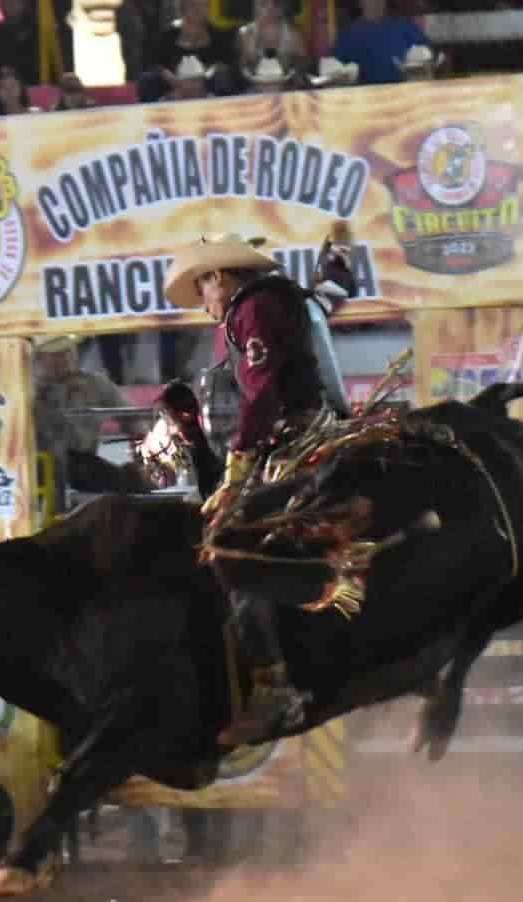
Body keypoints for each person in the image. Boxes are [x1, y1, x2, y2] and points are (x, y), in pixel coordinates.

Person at [163, 234, 336, 746]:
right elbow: (328, 302)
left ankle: (273, 682)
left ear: (220, 276)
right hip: (307, 433)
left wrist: (238, 466)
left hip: (294, 442)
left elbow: (262, 393)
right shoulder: (279, 301)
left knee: (232, 545)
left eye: (203, 288)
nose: (205, 303)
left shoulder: (254, 309)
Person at [32, 333, 148, 495]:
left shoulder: (94, 383)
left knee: (136, 484)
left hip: (83, 464)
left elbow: (131, 417)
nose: (64, 358)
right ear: (38, 358)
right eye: (55, 354)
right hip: (38, 465)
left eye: (67, 351)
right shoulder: (27, 389)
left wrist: (143, 444)